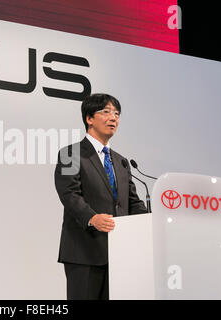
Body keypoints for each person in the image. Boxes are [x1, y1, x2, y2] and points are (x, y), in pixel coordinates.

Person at [54, 93, 147, 300]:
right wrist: (92, 217)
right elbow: (69, 194)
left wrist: (150, 220)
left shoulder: (121, 162)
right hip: (84, 251)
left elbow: (132, 202)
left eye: (116, 113)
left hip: (119, 253)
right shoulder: (71, 153)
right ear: (89, 118)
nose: (113, 117)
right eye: (105, 112)